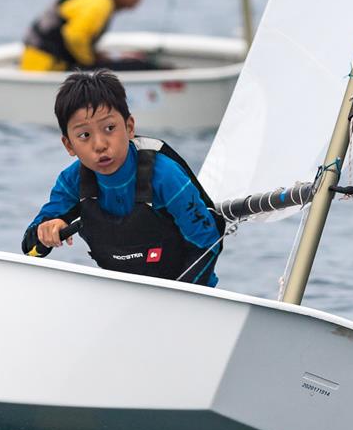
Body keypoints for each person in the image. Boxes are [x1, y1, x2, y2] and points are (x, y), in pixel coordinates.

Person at [21, 70, 225, 287]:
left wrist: (177, 298)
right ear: (69, 145)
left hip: (190, 295)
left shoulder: (165, 176)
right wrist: (46, 231)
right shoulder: (72, 182)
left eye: (109, 128)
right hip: (124, 299)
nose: (99, 144)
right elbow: (30, 250)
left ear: (129, 128)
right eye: (84, 135)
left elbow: (208, 242)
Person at [20, 0, 160, 72]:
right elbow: (75, 36)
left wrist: (97, 58)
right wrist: (92, 63)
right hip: (49, 70)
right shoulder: (101, 2)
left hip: (43, 64)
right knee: (137, 66)